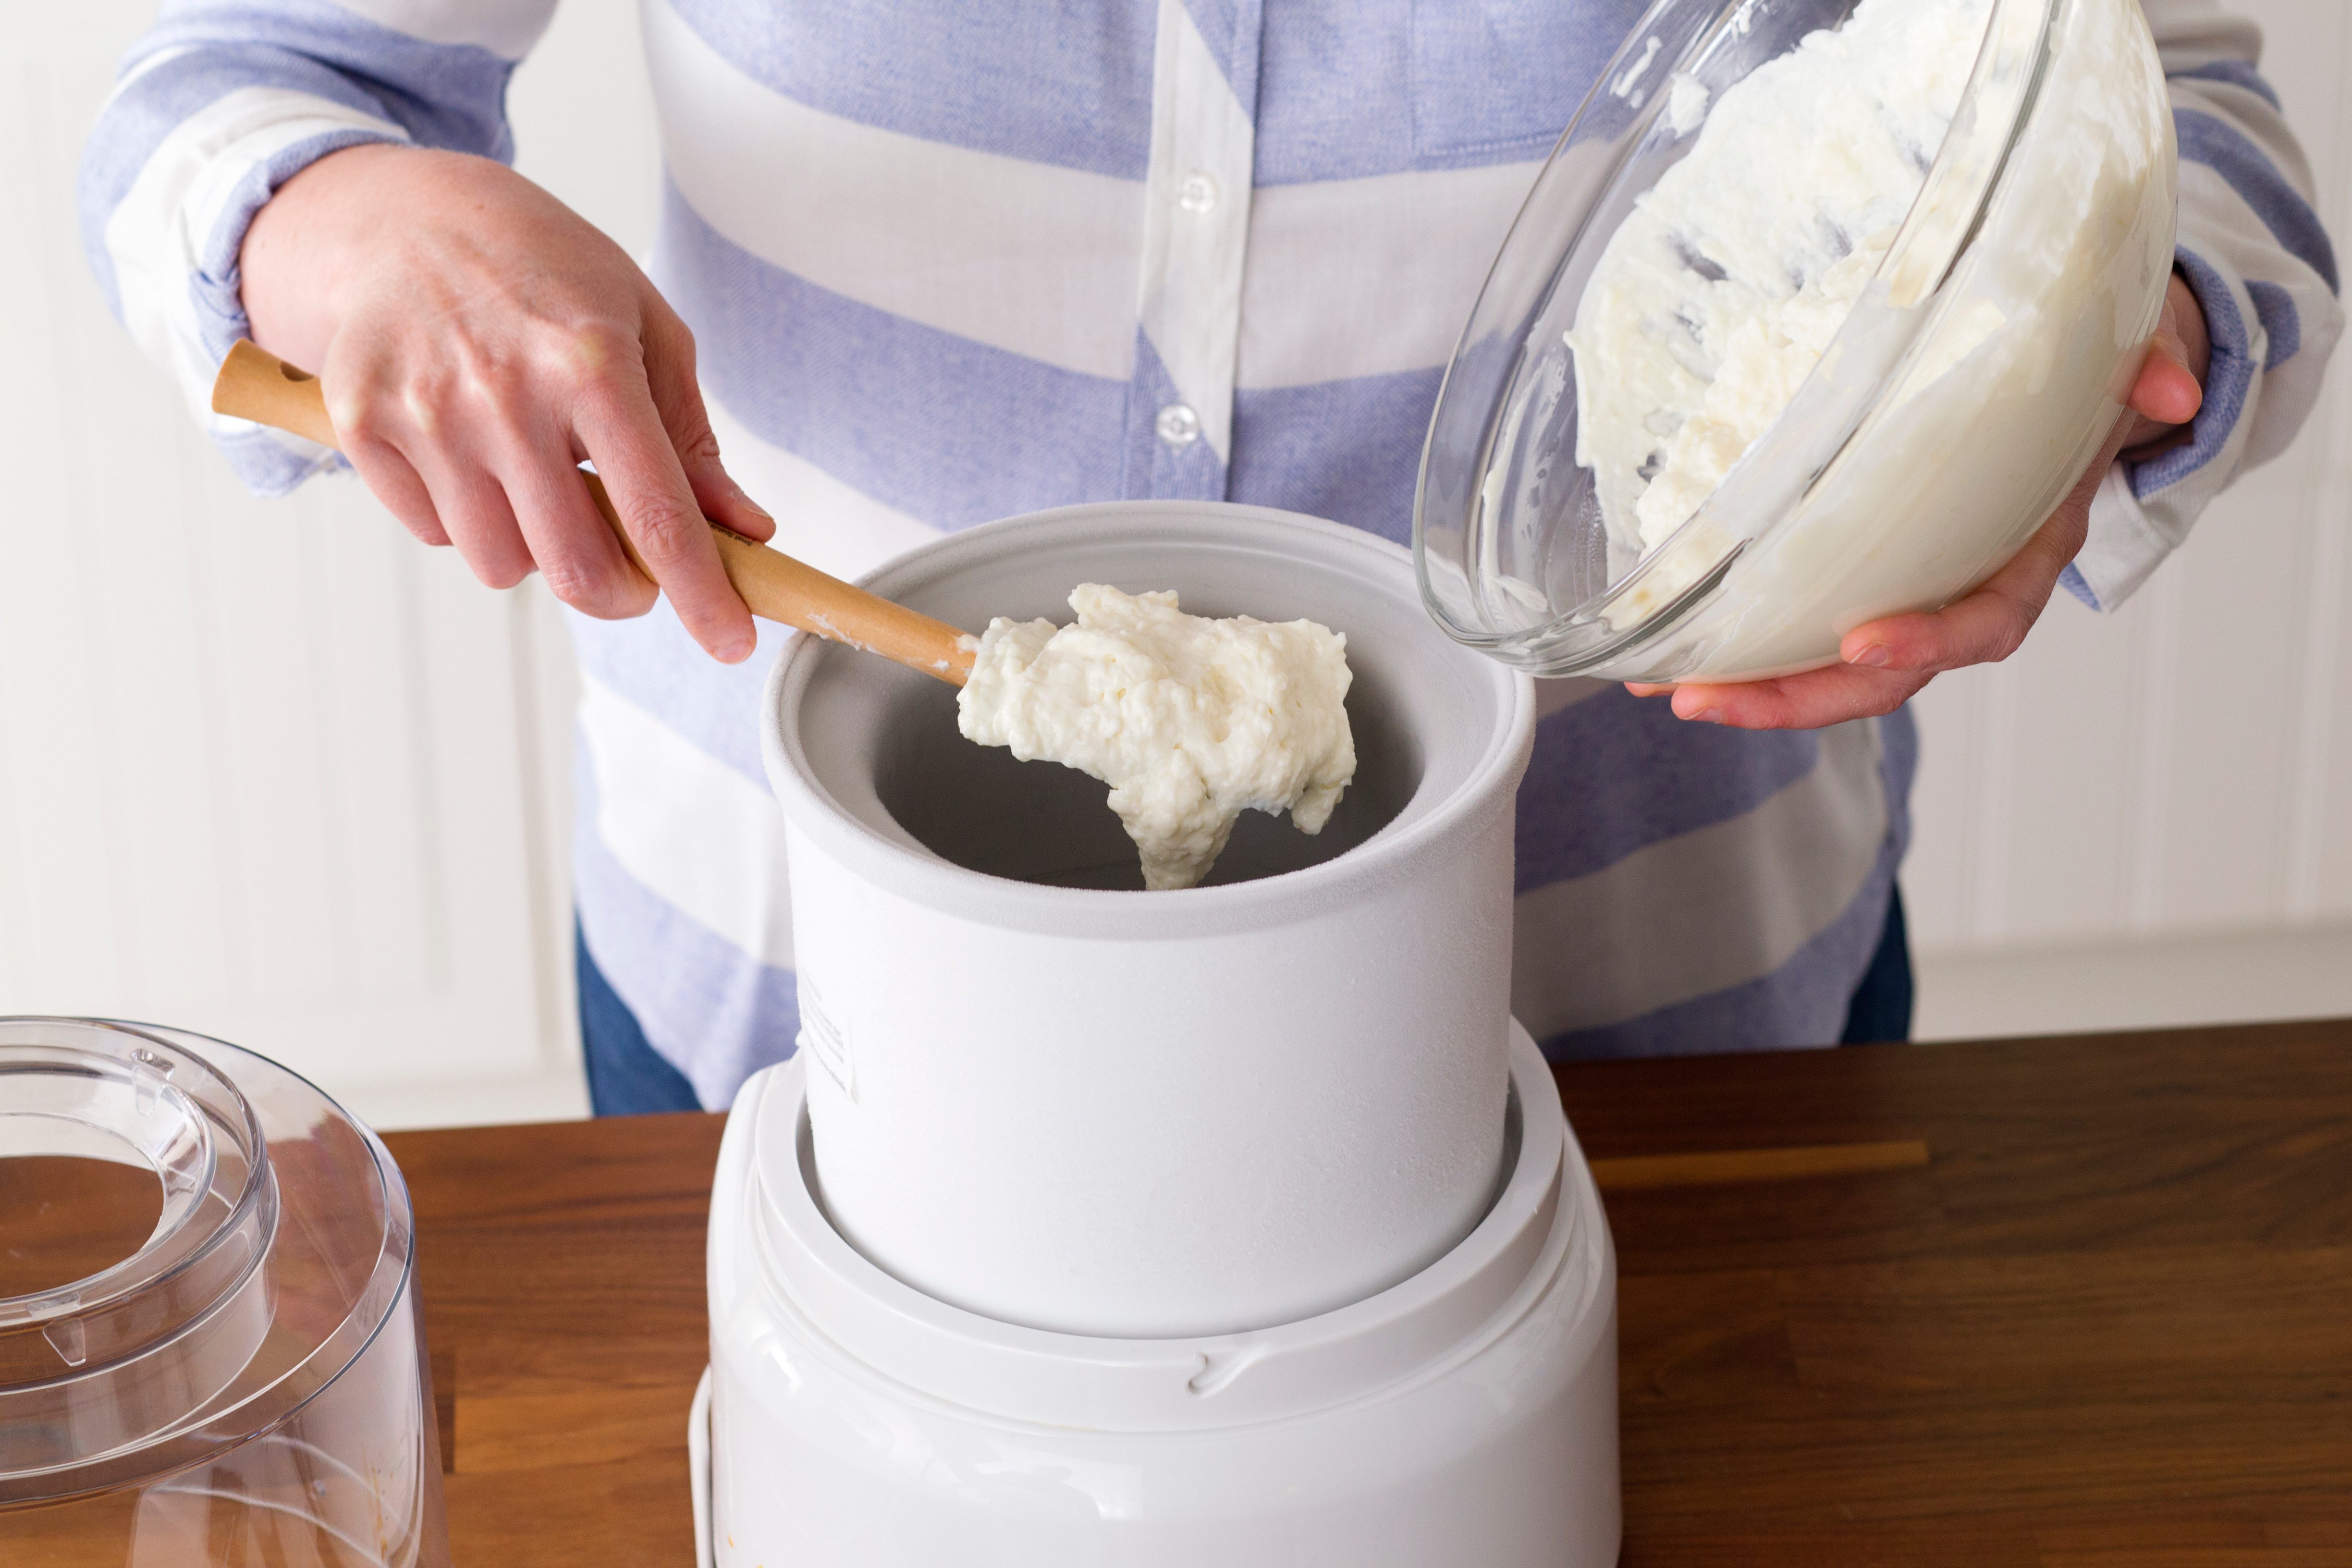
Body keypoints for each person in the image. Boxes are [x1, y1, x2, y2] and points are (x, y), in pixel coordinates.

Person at [82, 0, 2337, 1113]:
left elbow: (2194, 121)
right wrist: (351, 221)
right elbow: (232, 88)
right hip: (790, 1042)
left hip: (1649, 1049)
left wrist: (2096, 364)